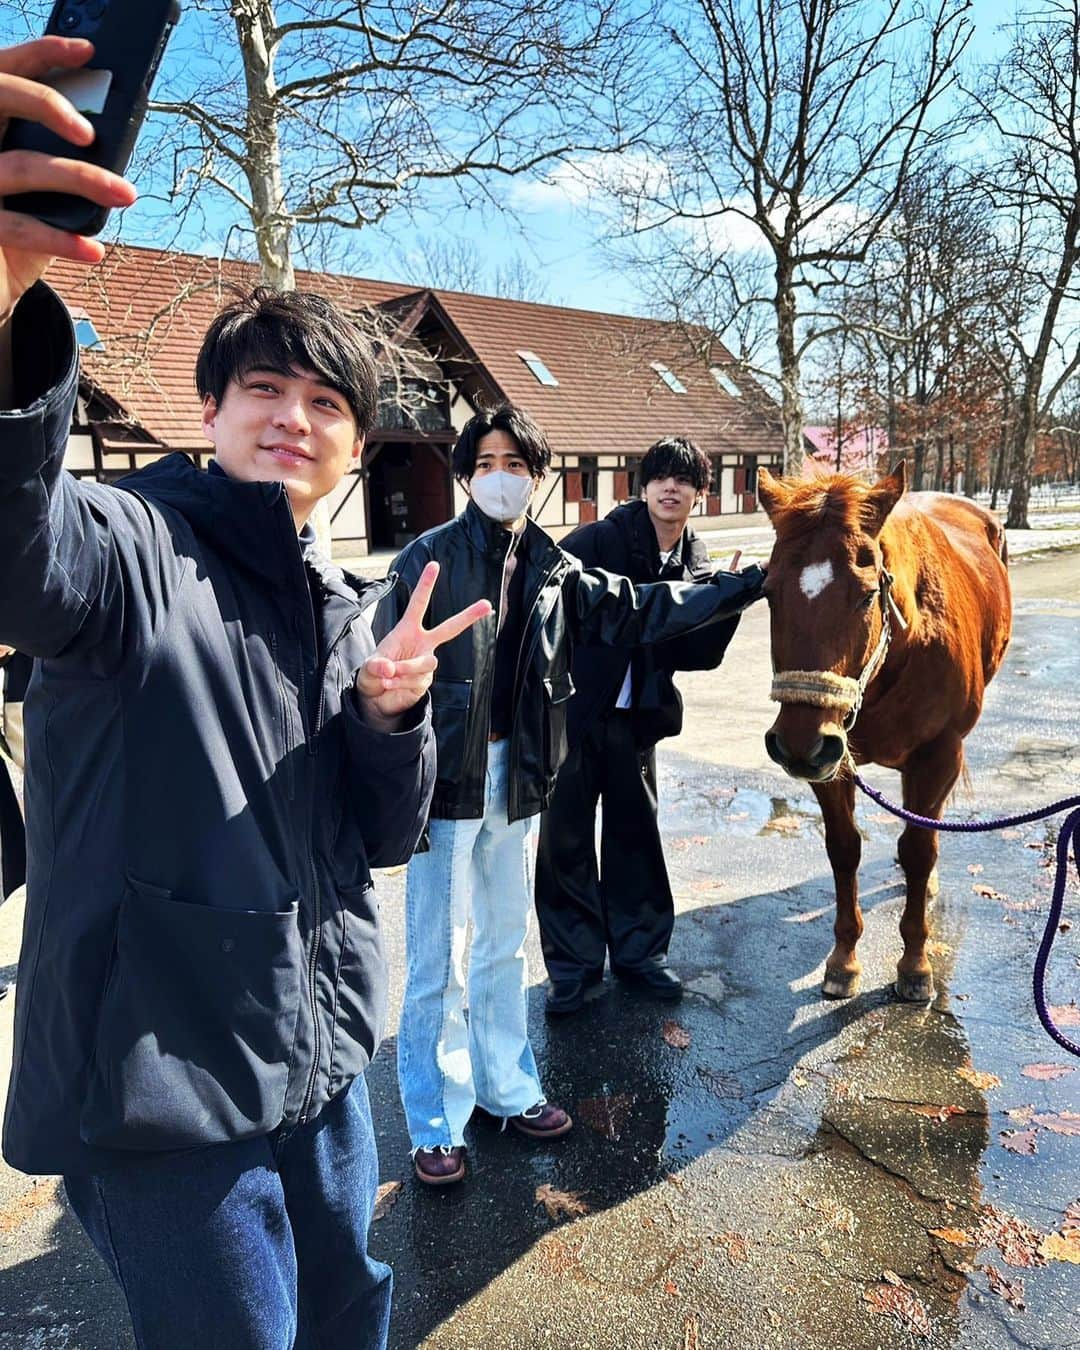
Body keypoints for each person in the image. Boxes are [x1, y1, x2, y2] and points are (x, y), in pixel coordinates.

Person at [0, 35, 489, 1350]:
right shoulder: (131, 547)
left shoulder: (338, 604)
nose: (295, 415)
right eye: (262, 387)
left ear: (356, 440)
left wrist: (395, 716)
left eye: (328, 400)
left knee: (349, 1312)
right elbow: (15, 549)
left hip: (321, 1061)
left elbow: (379, 839)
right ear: (207, 411)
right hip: (158, 1086)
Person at [377, 405, 765, 1187]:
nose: (501, 476)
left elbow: (646, 607)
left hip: (515, 774)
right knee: (436, 958)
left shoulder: (556, 570)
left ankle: (506, 1088)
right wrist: (393, 728)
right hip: (446, 781)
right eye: (486, 461)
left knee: (500, 943)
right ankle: (433, 1118)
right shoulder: (425, 560)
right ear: (464, 472)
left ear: (537, 478)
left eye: (517, 464)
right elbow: (380, 680)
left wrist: (744, 583)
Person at [536, 437, 742, 1013]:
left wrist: (723, 603)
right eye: (660, 478)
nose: (670, 488)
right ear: (643, 486)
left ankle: (639, 955)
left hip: (637, 723)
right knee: (565, 841)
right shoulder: (601, 538)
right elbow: (549, 598)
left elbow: (695, 653)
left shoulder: (694, 558)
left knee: (636, 837)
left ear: (699, 494)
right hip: (575, 716)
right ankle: (573, 968)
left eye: (683, 480)